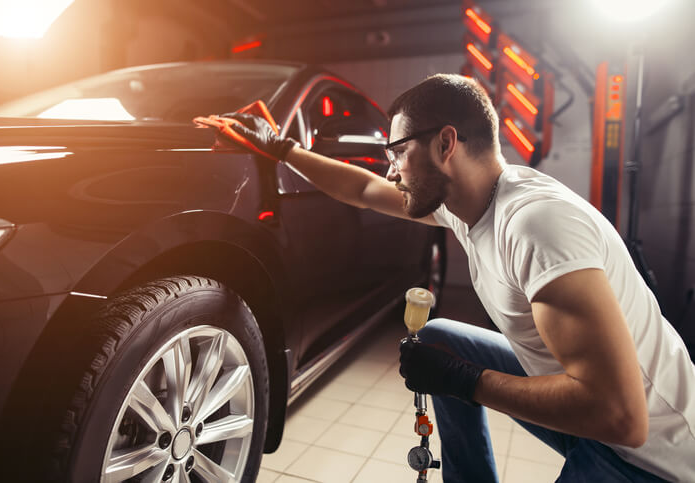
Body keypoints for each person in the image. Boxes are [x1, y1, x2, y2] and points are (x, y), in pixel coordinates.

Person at [215, 74, 695, 482]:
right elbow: (364, 188)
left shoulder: (536, 227)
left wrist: (466, 381)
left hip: (647, 456)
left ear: (445, 143)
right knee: (441, 339)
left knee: (451, 365)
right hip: (591, 408)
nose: (391, 168)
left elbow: (622, 417)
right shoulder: (468, 202)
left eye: (398, 151)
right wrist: (283, 148)